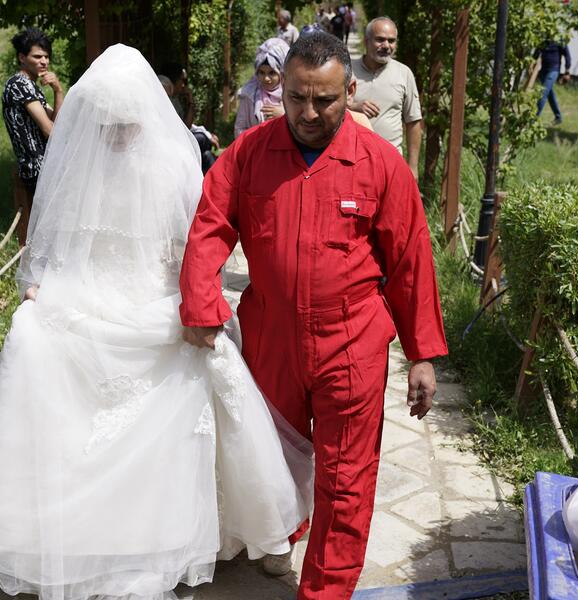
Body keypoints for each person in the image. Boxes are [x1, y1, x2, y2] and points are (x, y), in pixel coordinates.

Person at [0, 44, 312, 600]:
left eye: (126, 122)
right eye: (108, 123)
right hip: (89, 293)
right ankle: (48, 530)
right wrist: (41, 283)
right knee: (32, 339)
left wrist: (195, 299)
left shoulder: (176, 161)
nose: (118, 133)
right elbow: (55, 241)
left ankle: (198, 528)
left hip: (153, 295)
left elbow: (193, 245)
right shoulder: (78, 161)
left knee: (203, 357)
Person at [179, 32, 447, 599]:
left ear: (348, 92)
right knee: (274, 452)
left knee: (345, 479)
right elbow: (210, 224)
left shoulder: (380, 164)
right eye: (297, 97)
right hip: (270, 333)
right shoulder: (250, 152)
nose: (307, 112)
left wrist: (421, 354)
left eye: (323, 100)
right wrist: (201, 300)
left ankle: (324, 589)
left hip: (350, 341)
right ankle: (283, 529)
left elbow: (409, 261)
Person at [2, 28, 65, 245]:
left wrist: (58, 90)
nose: (44, 61)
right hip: (35, 168)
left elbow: (56, 123)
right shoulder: (19, 84)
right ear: (22, 57)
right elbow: (50, 131)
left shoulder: (31, 86)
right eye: (37, 56)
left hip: (44, 166)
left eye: (46, 56)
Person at [350, 17, 422, 180]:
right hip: (352, 161)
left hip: (390, 163)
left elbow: (413, 122)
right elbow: (329, 107)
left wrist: (412, 167)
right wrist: (353, 107)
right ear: (366, 41)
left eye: (391, 41)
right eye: (380, 40)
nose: (386, 46)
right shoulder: (347, 70)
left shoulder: (404, 74)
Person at [234, 37, 289, 138]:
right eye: (261, 73)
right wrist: (260, 138)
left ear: (282, 73)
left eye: (272, 73)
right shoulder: (249, 94)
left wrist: (285, 115)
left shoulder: (292, 95)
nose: (266, 78)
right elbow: (239, 129)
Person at [534, 39, 572, 125]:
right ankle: (558, 117)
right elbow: (536, 53)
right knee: (549, 94)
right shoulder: (543, 40)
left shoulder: (560, 39)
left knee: (543, 93)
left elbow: (567, 55)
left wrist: (567, 71)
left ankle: (533, 119)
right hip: (543, 71)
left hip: (553, 70)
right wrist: (531, 65)